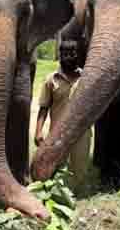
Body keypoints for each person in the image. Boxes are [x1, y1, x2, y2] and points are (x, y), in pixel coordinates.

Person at [35, 40, 91, 194]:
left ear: (77, 55)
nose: (68, 57)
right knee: (56, 166)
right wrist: (38, 131)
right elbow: (43, 107)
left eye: (71, 54)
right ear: (60, 55)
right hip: (57, 132)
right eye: (64, 54)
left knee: (79, 167)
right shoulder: (51, 79)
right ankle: (55, 194)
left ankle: (77, 197)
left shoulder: (86, 78)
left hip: (81, 133)